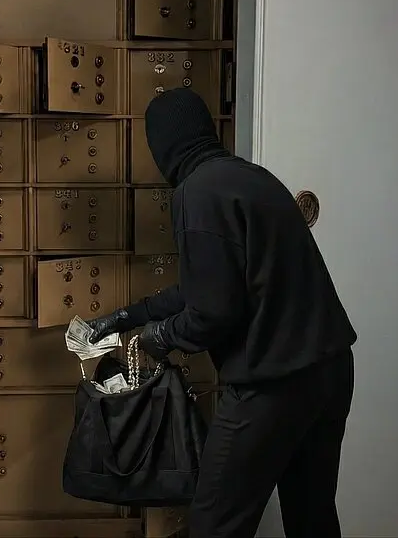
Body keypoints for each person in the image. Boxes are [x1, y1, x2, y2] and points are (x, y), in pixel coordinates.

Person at [88, 87, 357, 538]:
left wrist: (160, 337)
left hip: (272, 386)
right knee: (312, 517)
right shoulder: (251, 178)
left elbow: (213, 313)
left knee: (215, 524)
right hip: (329, 372)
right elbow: (210, 285)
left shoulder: (196, 193)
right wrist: (128, 316)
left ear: (163, 144)